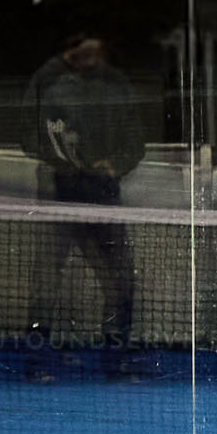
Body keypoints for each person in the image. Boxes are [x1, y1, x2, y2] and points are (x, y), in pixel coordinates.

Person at [19, 34, 147, 379]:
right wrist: (63, 164)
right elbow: (29, 136)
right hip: (58, 198)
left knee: (121, 280)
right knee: (46, 281)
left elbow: (135, 141)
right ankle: (38, 364)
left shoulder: (116, 84)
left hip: (103, 199)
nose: (90, 56)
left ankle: (115, 361)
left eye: (97, 49)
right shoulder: (47, 81)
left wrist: (113, 165)